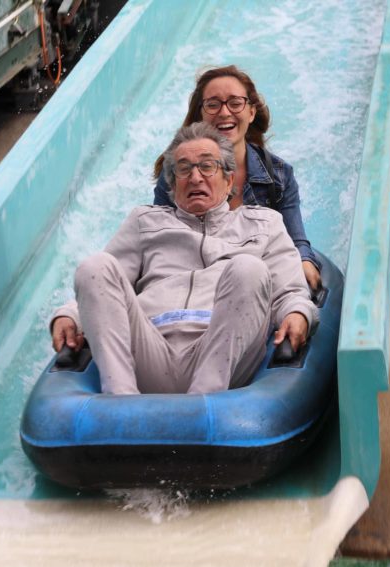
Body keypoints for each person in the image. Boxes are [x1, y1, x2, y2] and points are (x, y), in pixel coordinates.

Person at [51, 123, 316, 395]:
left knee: (249, 268)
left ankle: (203, 400)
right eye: (184, 169)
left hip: (223, 349)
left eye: (207, 166)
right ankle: (119, 400)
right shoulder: (145, 222)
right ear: (172, 183)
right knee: (93, 265)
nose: (195, 177)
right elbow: (103, 281)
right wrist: (70, 316)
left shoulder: (264, 223)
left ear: (228, 181)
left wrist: (297, 313)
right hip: (150, 348)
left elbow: (290, 291)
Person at [153, 65, 323, 290]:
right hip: (195, 279)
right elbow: (159, 240)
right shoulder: (176, 173)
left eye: (235, 103)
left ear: (251, 112)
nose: (224, 113)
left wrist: (304, 261)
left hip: (253, 280)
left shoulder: (279, 176)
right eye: (213, 104)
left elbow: (296, 241)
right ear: (201, 115)